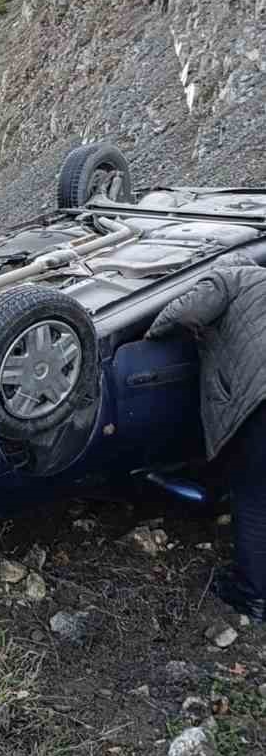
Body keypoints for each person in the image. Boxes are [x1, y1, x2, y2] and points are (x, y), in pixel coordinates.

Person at [146, 252, 266, 622]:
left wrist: (152, 335)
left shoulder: (228, 277)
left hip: (260, 404)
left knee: (255, 501)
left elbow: (183, 313)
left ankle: (253, 598)